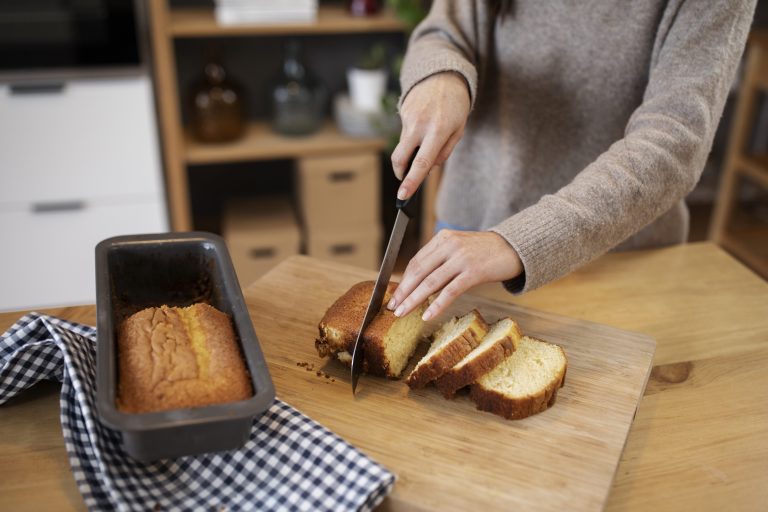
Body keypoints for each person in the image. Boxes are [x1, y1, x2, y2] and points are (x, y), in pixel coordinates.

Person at [385, 0, 756, 322]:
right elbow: (443, 32)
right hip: (469, 234)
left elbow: (675, 140)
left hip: (619, 260)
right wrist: (441, 74)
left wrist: (520, 241)